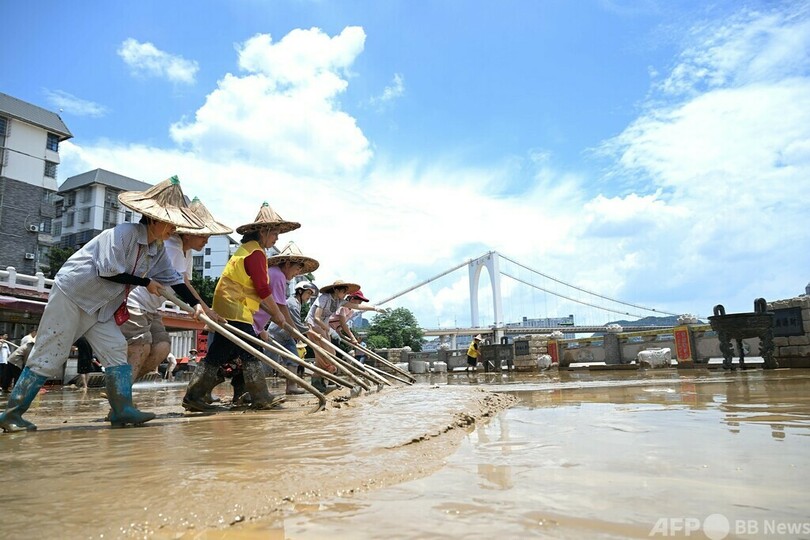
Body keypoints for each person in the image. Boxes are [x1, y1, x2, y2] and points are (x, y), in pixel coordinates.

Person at [0, 176, 208, 433]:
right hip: (73, 295)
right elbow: (108, 271)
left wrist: (196, 305)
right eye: (170, 223)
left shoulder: (157, 250)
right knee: (50, 353)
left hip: (101, 307)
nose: (174, 229)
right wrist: (145, 282)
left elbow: (174, 279)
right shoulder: (123, 234)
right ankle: (12, 414)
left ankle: (121, 410)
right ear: (154, 219)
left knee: (116, 348)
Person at [182, 202, 300, 412]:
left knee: (218, 353)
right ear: (264, 231)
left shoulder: (248, 250)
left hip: (229, 304)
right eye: (275, 233)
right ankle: (260, 396)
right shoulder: (255, 253)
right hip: (234, 306)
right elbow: (263, 289)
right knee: (251, 350)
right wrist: (278, 315)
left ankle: (194, 396)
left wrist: (276, 315)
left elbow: (256, 291)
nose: (276, 239)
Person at [122, 197, 230, 382]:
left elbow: (185, 282)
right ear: (188, 234)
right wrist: (203, 310)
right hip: (135, 303)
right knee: (141, 347)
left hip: (151, 308)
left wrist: (205, 309)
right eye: (202, 235)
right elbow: (180, 284)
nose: (206, 241)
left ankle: (124, 385)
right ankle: (120, 390)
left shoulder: (186, 251)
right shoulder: (171, 247)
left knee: (162, 348)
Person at [259, 242, 319, 395]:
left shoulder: (278, 276)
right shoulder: (279, 278)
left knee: (293, 359)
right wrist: (296, 331)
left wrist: (295, 332)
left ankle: (291, 387)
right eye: (297, 268)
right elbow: (281, 308)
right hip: (277, 333)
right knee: (267, 361)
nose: (297, 273)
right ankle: (257, 391)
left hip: (285, 333)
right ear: (287, 264)